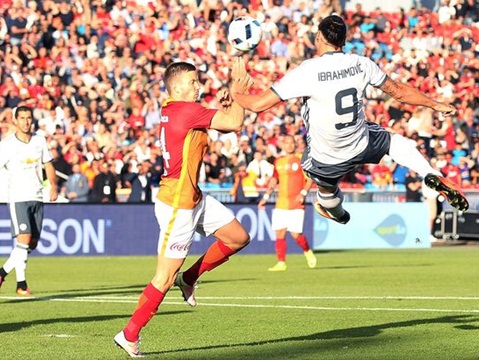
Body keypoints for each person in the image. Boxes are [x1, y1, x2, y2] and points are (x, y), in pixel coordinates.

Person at [231, 14, 469, 225]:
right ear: (343, 40)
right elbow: (399, 91)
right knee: (393, 141)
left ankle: (336, 212)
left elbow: (257, 105)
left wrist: (236, 90)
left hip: (325, 155)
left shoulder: (307, 70)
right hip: (360, 142)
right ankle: (429, 172)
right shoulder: (361, 63)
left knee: (326, 189)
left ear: (319, 38)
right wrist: (435, 104)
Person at [114, 61, 252, 357]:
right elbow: (235, 124)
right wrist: (239, 91)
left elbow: (214, 125)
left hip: (193, 196)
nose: (198, 86)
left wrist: (226, 106)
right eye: (193, 82)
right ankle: (129, 334)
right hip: (178, 204)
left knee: (238, 238)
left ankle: (188, 278)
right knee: (162, 278)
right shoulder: (186, 110)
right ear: (177, 87)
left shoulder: (172, 108)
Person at [0, 105, 58, 295]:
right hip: (18, 197)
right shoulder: (6, 145)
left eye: (28, 118)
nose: (25, 122)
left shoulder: (39, 141)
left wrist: (53, 186)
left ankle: (3, 273)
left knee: (31, 243)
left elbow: (48, 165)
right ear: (15, 120)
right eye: (22, 118)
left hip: (37, 196)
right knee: (23, 240)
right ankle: (21, 283)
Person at [258, 134, 316, 271]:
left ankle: (307, 251)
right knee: (279, 233)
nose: (289, 145)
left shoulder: (301, 159)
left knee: (295, 234)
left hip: (296, 202)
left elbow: (310, 178)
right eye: (287, 143)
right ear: (282, 145)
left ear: (295, 144)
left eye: (292, 142)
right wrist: (265, 197)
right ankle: (281, 262)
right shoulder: (278, 161)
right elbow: (274, 181)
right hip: (281, 202)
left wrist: (303, 194)